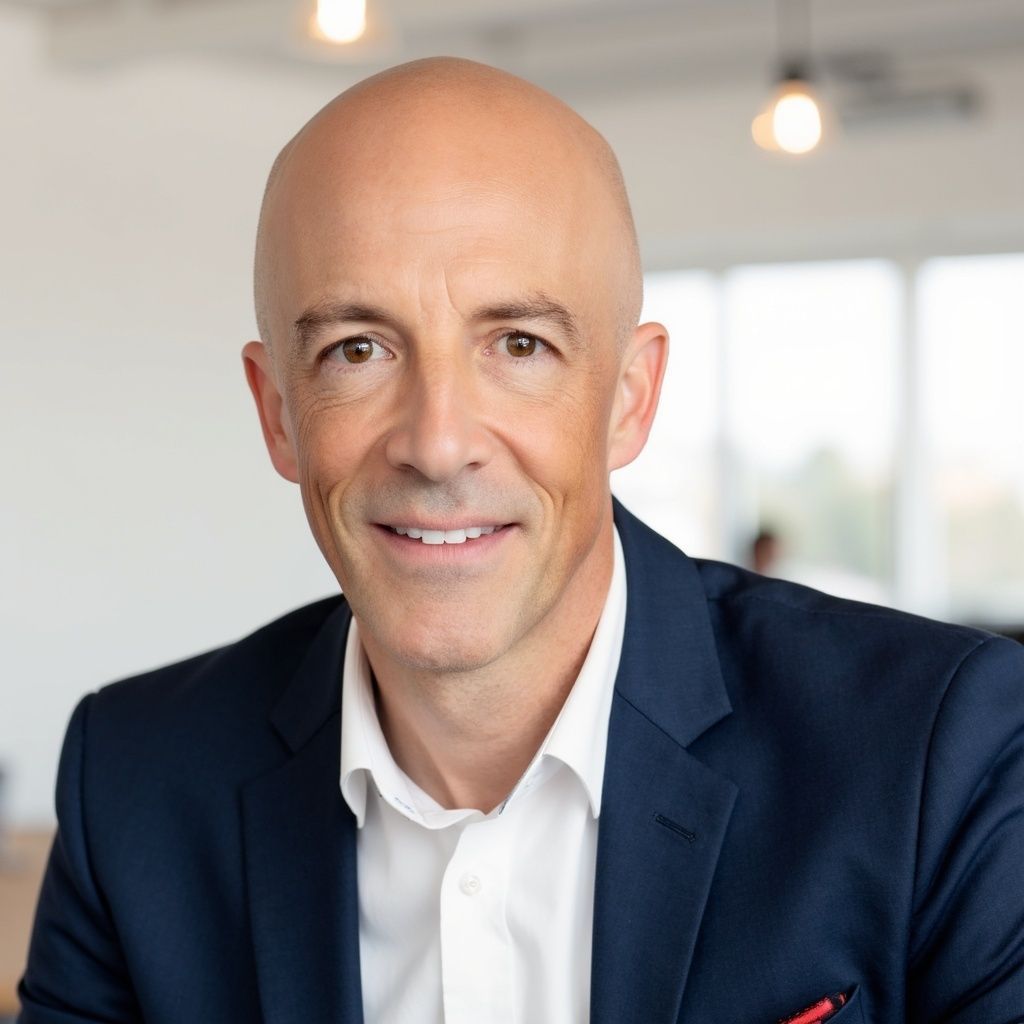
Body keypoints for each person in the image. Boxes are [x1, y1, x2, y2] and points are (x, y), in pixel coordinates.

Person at [18, 58, 1024, 1024]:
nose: (438, 441)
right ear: (277, 411)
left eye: (519, 345)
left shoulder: (939, 754)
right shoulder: (135, 785)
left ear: (629, 399)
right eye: (356, 349)